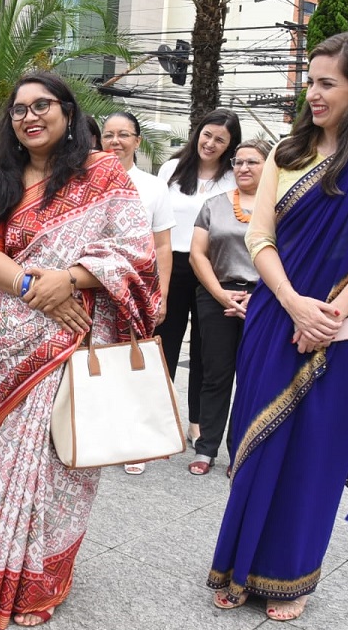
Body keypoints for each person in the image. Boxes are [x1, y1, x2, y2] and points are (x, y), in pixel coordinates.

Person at [208, 30, 348, 621]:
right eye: (310, 80)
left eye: (328, 83)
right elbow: (261, 235)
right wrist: (293, 302)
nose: (313, 93)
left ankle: (291, 577)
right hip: (276, 314)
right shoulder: (286, 152)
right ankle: (238, 566)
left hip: (345, 326)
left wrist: (329, 314)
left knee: (315, 449)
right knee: (259, 440)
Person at [0, 71, 160, 629]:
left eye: (42, 104)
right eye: (18, 109)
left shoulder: (102, 174)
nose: (30, 116)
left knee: (65, 460)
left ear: (68, 113)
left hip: (82, 330)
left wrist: (70, 278)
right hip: (22, 334)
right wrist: (34, 289)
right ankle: (1, 568)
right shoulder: (0, 178)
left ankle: (47, 575)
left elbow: (137, 250)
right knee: (17, 460)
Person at [156, 109, 240, 446]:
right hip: (171, 265)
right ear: (198, 134)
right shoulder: (171, 169)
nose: (211, 143)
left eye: (221, 139)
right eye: (207, 135)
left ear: (230, 145)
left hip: (213, 269)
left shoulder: (235, 176)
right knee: (165, 345)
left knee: (208, 352)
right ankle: (158, 422)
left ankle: (198, 423)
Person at [186, 139, 271, 475]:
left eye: (253, 162)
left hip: (263, 299)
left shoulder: (281, 208)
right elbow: (197, 254)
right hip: (216, 295)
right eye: (238, 162)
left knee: (252, 377)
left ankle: (241, 451)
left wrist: (261, 294)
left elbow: (288, 259)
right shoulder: (213, 204)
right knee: (215, 375)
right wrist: (221, 295)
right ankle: (206, 448)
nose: (243, 168)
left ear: (270, 167)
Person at [102, 111, 176, 474]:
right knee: (94, 359)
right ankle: (97, 433)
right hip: (93, 288)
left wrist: (160, 293)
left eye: (123, 135)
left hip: (137, 290)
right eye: (108, 135)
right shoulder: (86, 181)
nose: (115, 142)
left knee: (132, 360)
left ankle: (134, 442)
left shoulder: (152, 186)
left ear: (137, 141)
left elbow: (163, 245)